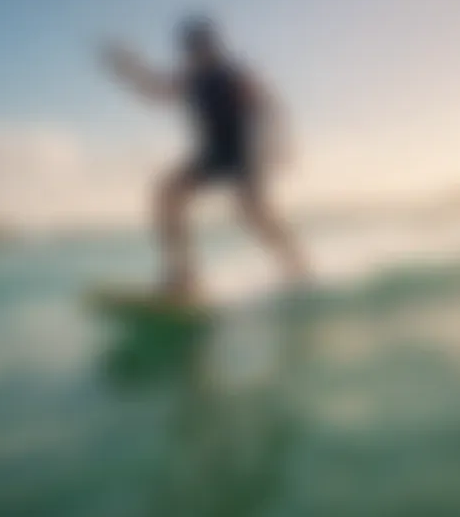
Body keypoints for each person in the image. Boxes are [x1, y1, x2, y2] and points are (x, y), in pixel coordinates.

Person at [102, 16, 309, 303]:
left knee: (253, 214)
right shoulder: (192, 78)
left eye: (198, 49)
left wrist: (279, 146)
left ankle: (297, 269)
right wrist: (128, 68)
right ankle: (184, 278)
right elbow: (157, 91)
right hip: (210, 155)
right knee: (167, 194)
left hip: (242, 156)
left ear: (212, 46)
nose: (192, 56)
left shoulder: (233, 74)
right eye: (189, 51)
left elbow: (270, 106)